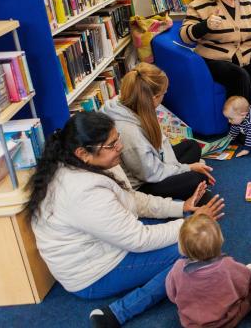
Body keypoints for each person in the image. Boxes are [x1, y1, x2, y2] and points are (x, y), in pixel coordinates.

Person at [27, 112, 224, 328]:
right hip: (93, 274)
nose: (120, 146)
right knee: (194, 250)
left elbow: (131, 200)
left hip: (106, 246)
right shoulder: (83, 191)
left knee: (191, 236)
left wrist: (181, 207)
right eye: (111, 144)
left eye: (117, 137)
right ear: (83, 153)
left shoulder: (92, 164)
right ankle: (119, 312)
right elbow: (138, 240)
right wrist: (190, 224)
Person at [101, 63, 215, 203]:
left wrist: (181, 168)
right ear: (153, 98)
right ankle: (186, 192)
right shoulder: (130, 134)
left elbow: (161, 147)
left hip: (152, 164)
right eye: (163, 94)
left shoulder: (131, 103)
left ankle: (187, 185)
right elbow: (150, 174)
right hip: (142, 184)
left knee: (192, 146)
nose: (164, 97)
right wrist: (187, 168)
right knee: (197, 178)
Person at [166, 214, 251, 328]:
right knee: (250, 290)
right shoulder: (228, 265)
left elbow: (172, 295)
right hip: (228, 320)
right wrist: (249, 275)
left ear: (182, 247)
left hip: (192, 324)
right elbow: (244, 284)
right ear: (221, 239)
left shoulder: (177, 269)